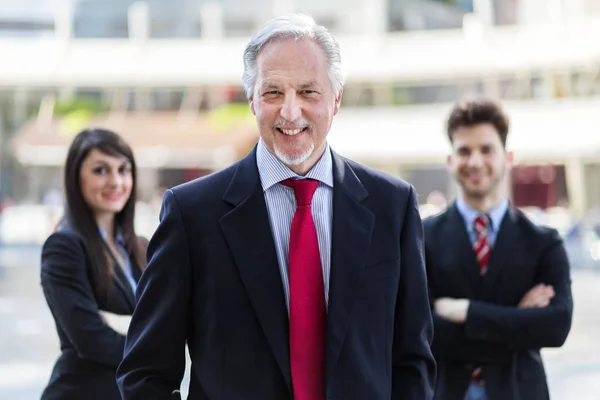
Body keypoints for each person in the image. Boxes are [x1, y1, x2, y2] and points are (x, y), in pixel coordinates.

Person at [117, 13, 436, 400]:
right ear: (251, 100)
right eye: (272, 93)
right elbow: (144, 372)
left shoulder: (393, 206)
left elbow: (412, 361)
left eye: (307, 92)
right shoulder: (191, 213)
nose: (289, 111)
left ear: (335, 100)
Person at [424, 99, 573, 400]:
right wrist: (516, 321)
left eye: (487, 149)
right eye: (464, 151)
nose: (476, 161)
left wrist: (463, 311)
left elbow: (555, 328)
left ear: (508, 157)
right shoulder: (421, 237)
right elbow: (421, 330)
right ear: (450, 160)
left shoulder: (544, 241)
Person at [40, 128, 147, 400]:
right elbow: (90, 338)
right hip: (82, 391)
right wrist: (155, 346)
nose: (115, 182)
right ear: (76, 178)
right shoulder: (64, 247)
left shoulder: (142, 247)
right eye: (101, 171)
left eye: (123, 170)